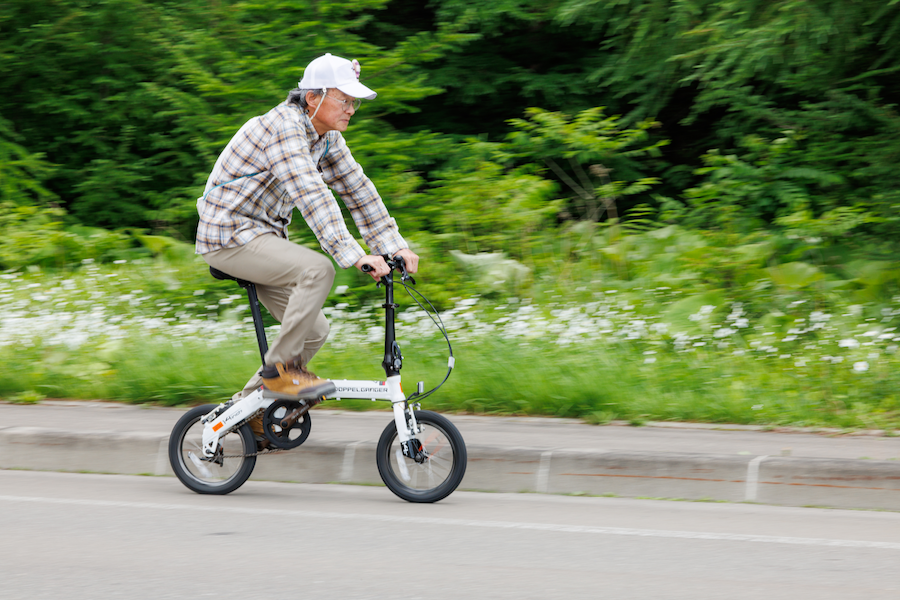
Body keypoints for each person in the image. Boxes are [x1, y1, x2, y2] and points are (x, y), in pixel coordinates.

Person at [195, 53, 419, 435]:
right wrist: (354, 254)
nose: (352, 109)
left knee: (313, 330)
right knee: (318, 269)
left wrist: (393, 245)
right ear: (313, 98)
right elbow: (310, 193)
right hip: (228, 235)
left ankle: (241, 415)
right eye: (344, 100)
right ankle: (280, 373)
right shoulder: (283, 127)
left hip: (263, 238)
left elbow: (358, 191)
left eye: (354, 102)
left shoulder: (326, 138)